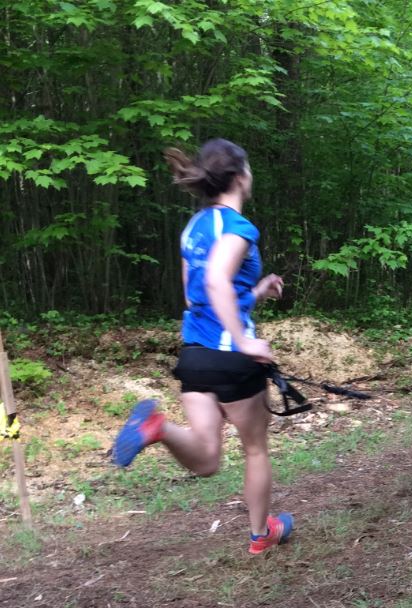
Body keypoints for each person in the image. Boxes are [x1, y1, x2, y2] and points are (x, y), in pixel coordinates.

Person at [111, 138, 293, 554]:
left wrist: (256, 292)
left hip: (195, 355)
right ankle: (260, 534)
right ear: (240, 176)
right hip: (232, 359)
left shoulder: (194, 228)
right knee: (255, 448)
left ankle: (157, 428)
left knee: (208, 458)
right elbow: (215, 282)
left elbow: (198, 298)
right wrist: (245, 341)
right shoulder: (238, 226)